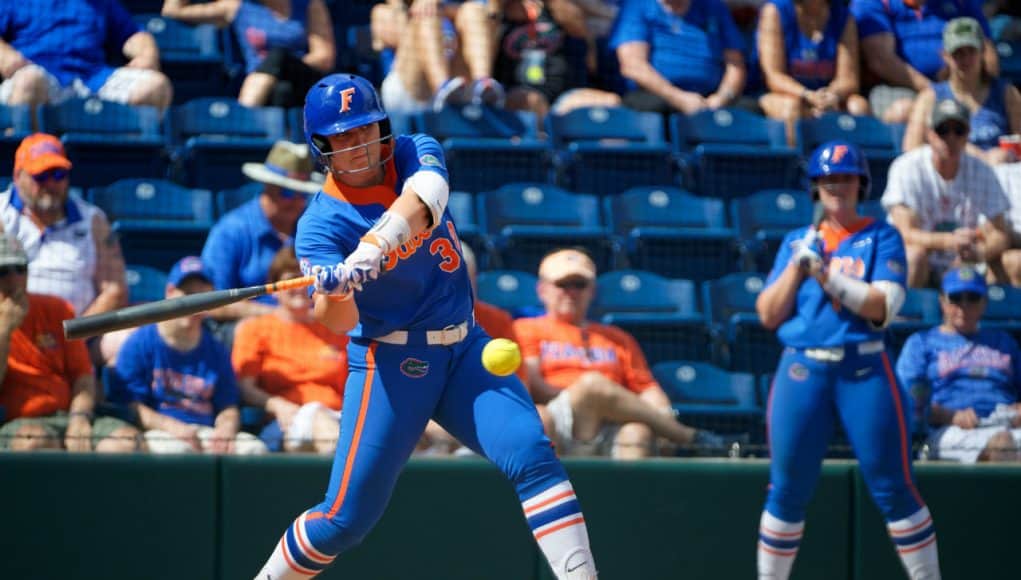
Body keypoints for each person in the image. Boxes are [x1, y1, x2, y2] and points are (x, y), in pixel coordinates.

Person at [253, 74, 598, 580]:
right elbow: (338, 322)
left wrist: (373, 249)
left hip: (464, 350)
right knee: (344, 521)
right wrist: (337, 288)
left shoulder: (414, 150)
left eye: (365, 129)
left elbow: (428, 196)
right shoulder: (320, 225)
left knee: (532, 452)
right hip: (391, 364)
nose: (358, 144)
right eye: (342, 136)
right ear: (321, 145)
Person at [754, 141, 941, 580]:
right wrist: (799, 268)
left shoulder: (882, 236)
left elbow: (882, 307)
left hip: (863, 369)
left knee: (894, 487)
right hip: (803, 368)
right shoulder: (796, 241)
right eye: (827, 179)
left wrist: (825, 274)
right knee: (786, 490)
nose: (837, 186)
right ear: (816, 187)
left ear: (861, 183)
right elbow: (767, 313)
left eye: (846, 177)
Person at [513, 248, 731, 459]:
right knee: (591, 386)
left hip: (610, 422)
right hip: (559, 417)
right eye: (562, 284)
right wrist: (587, 396)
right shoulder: (526, 329)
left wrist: (663, 414)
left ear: (592, 290)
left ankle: (629, 496)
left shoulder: (617, 338)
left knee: (637, 433)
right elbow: (535, 386)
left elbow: (647, 388)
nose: (571, 292)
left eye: (579, 284)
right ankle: (689, 437)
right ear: (542, 290)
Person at [111, 256, 267, 455]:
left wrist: (225, 428)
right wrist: (172, 427)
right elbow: (130, 406)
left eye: (201, 297)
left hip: (205, 434)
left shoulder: (216, 349)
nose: (193, 304)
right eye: (187, 295)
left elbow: (228, 405)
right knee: (177, 451)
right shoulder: (140, 342)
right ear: (169, 293)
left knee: (254, 449)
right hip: (160, 433)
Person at [0, 235, 140, 452]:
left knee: (127, 442)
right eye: (3, 271)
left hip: (70, 414)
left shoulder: (57, 308)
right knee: (34, 442)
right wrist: (4, 331)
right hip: (20, 422)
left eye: (20, 269)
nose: (13, 279)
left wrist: (79, 417)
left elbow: (82, 375)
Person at [881, 97, 1012, 288]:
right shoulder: (907, 167)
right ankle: (904, 317)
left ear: (967, 135)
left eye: (958, 131)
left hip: (967, 265)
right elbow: (903, 233)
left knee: (1013, 262)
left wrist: (980, 253)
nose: (950, 138)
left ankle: (1004, 317)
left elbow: (1000, 234)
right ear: (929, 134)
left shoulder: (983, 171)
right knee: (914, 256)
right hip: (924, 263)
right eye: (943, 130)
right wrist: (949, 241)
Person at [896, 266, 1021, 463]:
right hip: (948, 431)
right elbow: (906, 400)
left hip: (1007, 424)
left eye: (972, 298)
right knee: (1003, 446)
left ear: (984, 303)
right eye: (956, 298)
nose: (963, 305)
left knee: (1006, 442)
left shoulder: (1004, 342)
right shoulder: (921, 343)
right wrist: (950, 415)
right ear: (942, 301)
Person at [232, 246, 347, 454]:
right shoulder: (255, 329)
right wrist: (276, 405)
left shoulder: (336, 327)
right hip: (286, 422)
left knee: (418, 432)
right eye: (291, 280)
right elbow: (244, 387)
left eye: (305, 279)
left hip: (339, 415)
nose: (300, 287)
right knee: (320, 420)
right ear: (275, 289)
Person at [0, 134, 128, 318]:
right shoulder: (2, 214)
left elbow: (114, 290)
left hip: (81, 332)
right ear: (18, 176)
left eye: (58, 174)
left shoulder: (93, 219)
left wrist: (74, 336)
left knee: (123, 339)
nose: (51, 183)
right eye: (41, 176)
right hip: (13, 328)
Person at [200, 140, 322, 325]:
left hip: (311, 324)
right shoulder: (231, 230)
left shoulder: (314, 229)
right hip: (250, 328)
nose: (297, 201)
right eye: (288, 193)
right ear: (268, 187)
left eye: (303, 194)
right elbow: (214, 302)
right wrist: (276, 315)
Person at [160, 0, 335, 108]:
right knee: (282, 92)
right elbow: (172, 11)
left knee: (278, 56)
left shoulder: (309, 4)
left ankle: (245, 112)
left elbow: (323, 57)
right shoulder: (238, 6)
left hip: (303, 79)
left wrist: (280, 66)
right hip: (271, 89)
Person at [0, 0, 172, 109]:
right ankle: (29, 162)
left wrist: (146, 54)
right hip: (40, 76)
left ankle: (129, 165)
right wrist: (4, 54)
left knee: (155, 87)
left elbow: (132, 34)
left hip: (93, 79)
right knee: (29, 81)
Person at [851, 0, 995, 124]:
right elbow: (882, 61)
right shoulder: (875, 2)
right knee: (904, 112)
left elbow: (988, 54)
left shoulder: (961, 2)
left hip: (962, 84)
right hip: (899, 88)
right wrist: (938, 93)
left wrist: (977, 88)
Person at [902, 17, 1021, 165]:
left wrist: (1007, 155)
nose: (965, 59)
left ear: (982, 51)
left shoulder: (1006, 93)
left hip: (998, 178)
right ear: (945, 55)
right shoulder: (930, 98)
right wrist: (961, 151)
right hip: (948, 178)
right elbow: (911, 151)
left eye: (971, 51)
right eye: (957, 53)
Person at [756, 0, 870, 145]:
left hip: (825, 97)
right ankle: (793, 165)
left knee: (858, 106)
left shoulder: (844, 17)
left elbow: (849, 79)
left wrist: (829, 96)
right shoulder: (775, 11)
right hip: (780, 95)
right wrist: (807, 95)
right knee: (791, 108)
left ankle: (852, 164)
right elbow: (773, 77)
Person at [611, 0, 747, 116]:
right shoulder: (637, 5)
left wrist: (722, 98)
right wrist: (678, 98)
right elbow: (633, 66)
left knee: (748, 111)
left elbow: (736, 65)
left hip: (711, 98)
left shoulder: (714, 7)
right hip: (658, 97)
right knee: (654, 107)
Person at [371, 0, 504, 117]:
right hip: (410, 89)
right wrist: (427, 7)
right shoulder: (382, 11)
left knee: (473, 11)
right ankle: (443, 87)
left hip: (458, 88)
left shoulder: (453, 9)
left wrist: (442, 7)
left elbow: (493, 28)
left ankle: (482, 84)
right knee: (426, 14)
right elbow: (401, 36)